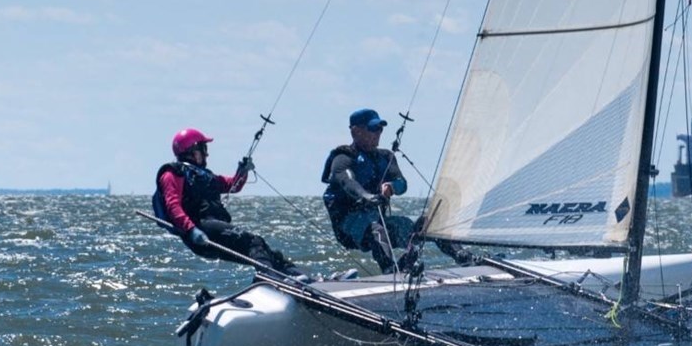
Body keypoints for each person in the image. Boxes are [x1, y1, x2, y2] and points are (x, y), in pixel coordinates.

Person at [321, 108, 472, 273]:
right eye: (373, 129)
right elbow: (347, 181)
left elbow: (402, 183)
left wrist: (392, 186)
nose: (378, 133)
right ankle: (390, 270)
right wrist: (367, 196)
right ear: (356, 131)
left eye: (380, 129)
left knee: (426, 223)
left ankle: (463, 257)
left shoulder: (386, 157)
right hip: (349, 229)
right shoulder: (343, 158)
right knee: (377, 230)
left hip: (378, 223)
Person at [154, 128, 304, 277]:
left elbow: (233, 185)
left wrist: (242, 172)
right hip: (201, 231)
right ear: (192, 151)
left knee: (263, 249)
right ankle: (271, 279)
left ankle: (296, 277)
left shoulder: (204, 175)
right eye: (203, 149)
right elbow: (173, 207)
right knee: (253, 242)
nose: (207, 154)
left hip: (214, 229)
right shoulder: (173, 173)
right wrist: (192, 230)